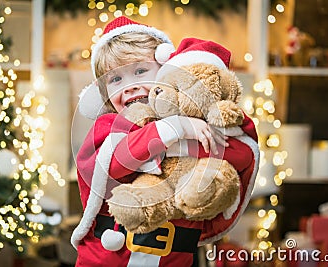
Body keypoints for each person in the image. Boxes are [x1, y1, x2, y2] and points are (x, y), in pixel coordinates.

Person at [71, 16, 259, 267]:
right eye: (116, 79)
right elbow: (111, 164)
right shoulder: (108, 126)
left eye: (140, 71)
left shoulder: (200, 117)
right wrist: (175, 129)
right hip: (106, 259)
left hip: (175, 258)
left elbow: (240, 154)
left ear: (165, 73)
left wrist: (186, 136)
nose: (129, 86)